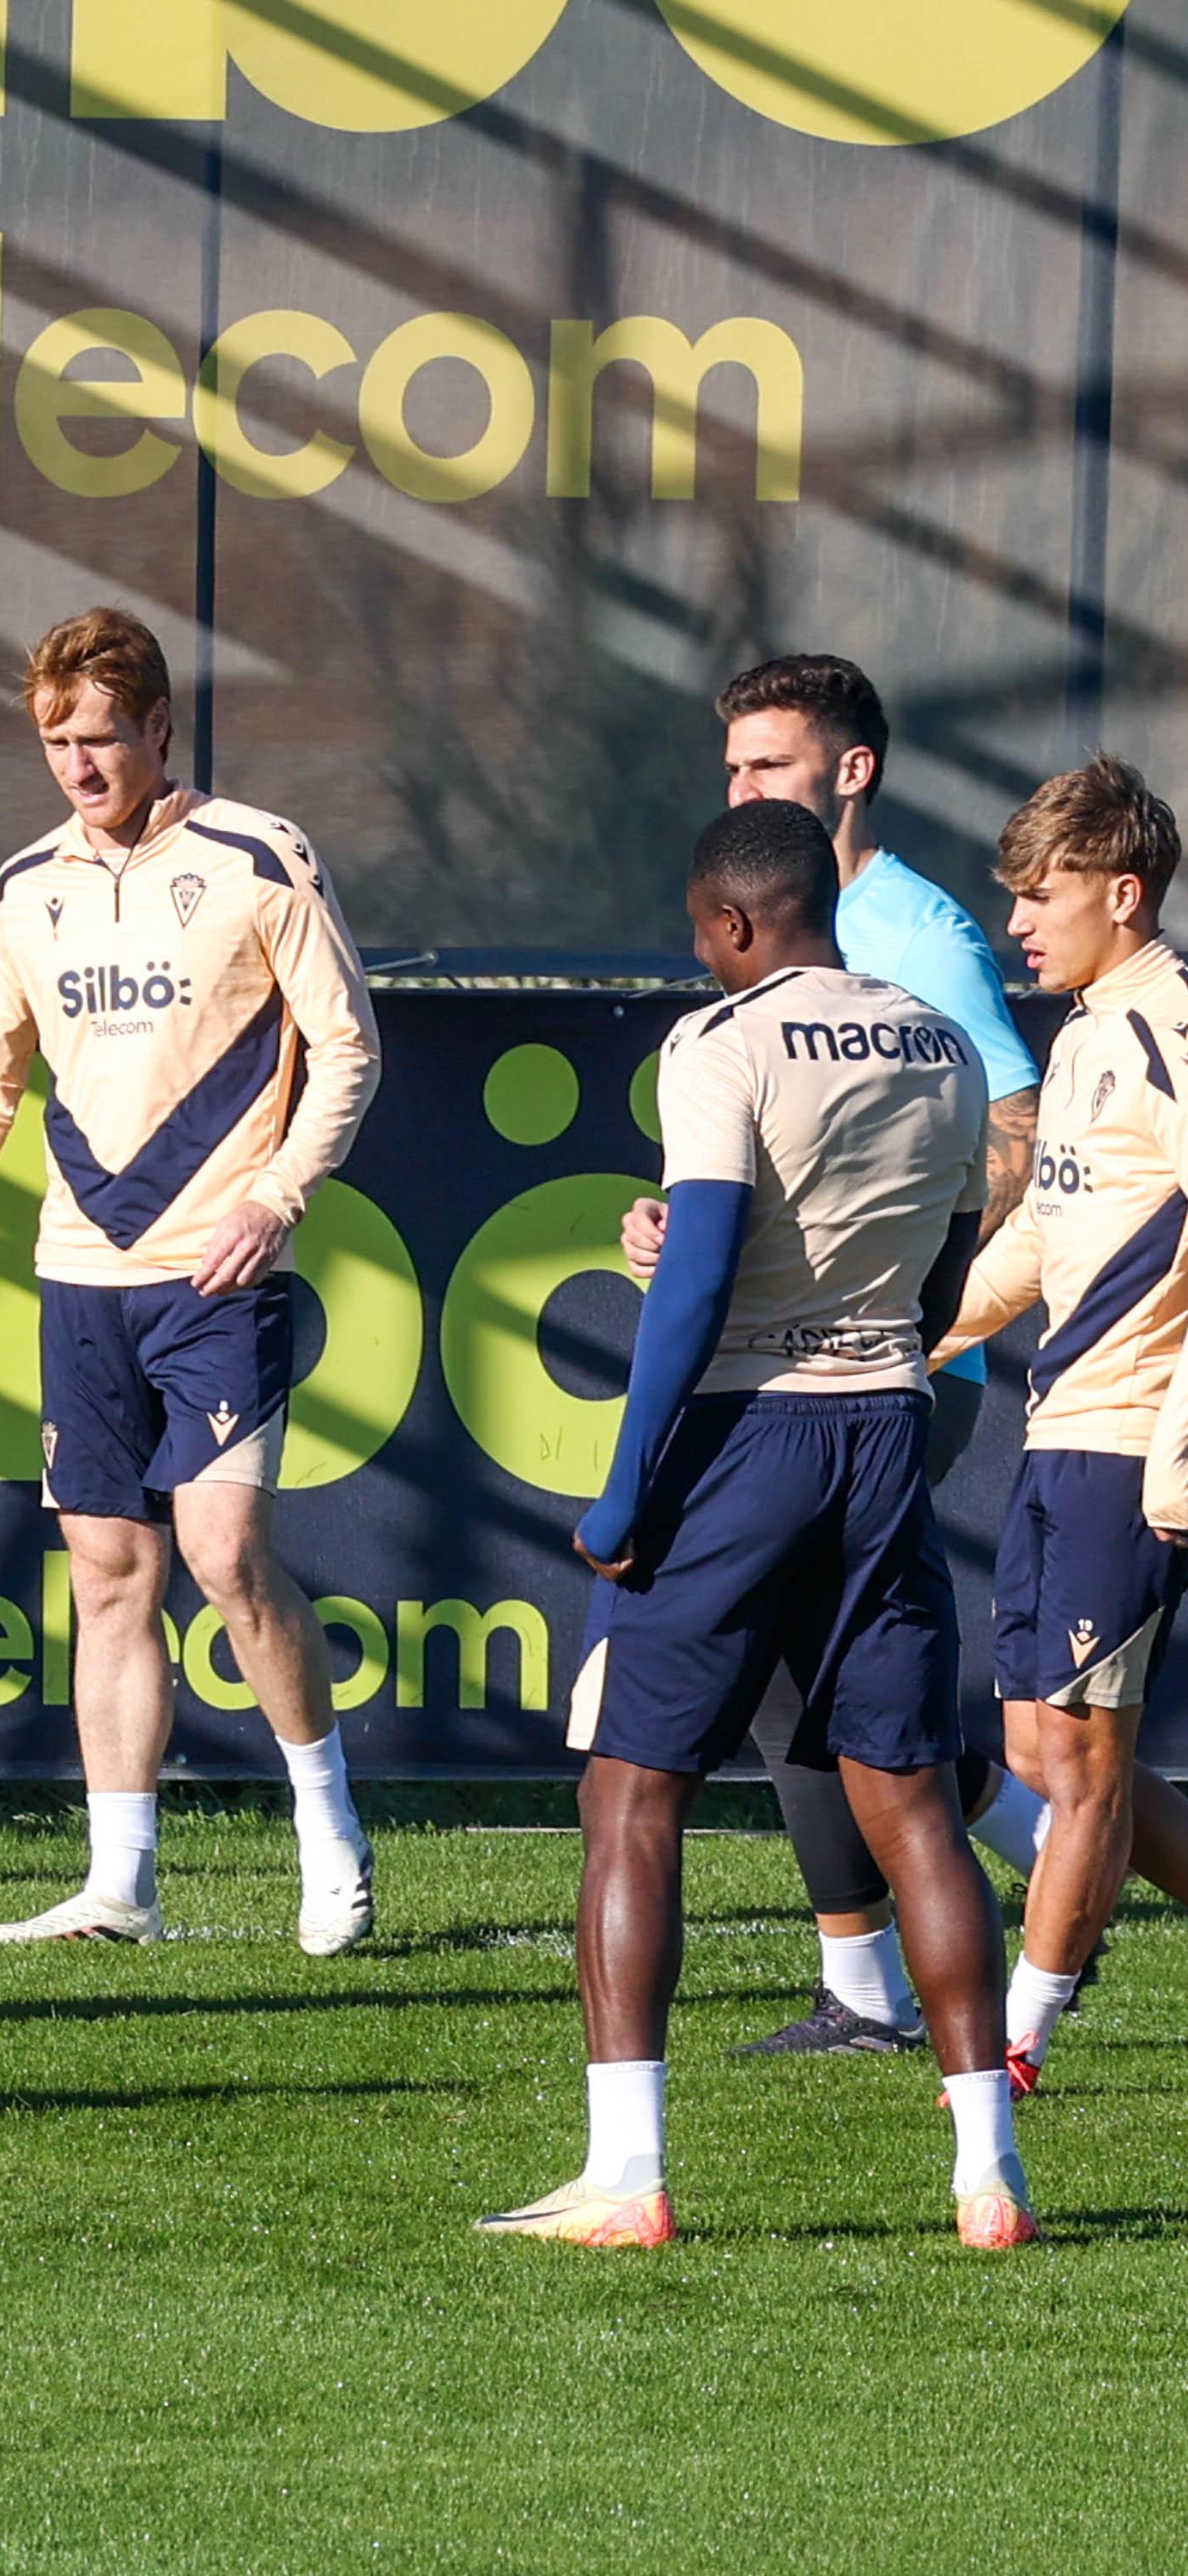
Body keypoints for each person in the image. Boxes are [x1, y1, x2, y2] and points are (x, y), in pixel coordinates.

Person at [484, 799, 1022, 2250]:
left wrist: (625, 1486)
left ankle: (625, 2177)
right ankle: (991, 2180)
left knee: (631, 1791)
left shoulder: (721, 1042)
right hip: (888, 1423)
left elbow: (703, 1277)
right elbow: (946, 1261)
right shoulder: (938, 1039)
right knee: (910, 1800)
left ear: (728, 924)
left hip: (744, 1433)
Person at [0, 608, 385, 1953]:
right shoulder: (26, 888)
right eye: (57, 739)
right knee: (108, 1572)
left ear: (160, 728)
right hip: (80, 1275)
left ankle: (329, 1833)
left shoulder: (258, 854)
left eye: (101, 736)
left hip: (220, 1270)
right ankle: (122, 1884)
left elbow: (348, 1051)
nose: (79, 764)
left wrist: (278, 1197)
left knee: (226, 1556)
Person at [686, 655, 1053, 2056]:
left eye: (770, 766)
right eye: (732, 770)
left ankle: (924, 1942)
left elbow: (1017, 1138)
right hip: (803, 1366)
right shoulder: (780, 920)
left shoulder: (915, 932)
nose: (743, 791)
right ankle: (924, 1928)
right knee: (814, 1678)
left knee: (809, 1671)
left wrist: (908, 1297)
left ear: (852, 772)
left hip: (890, 1370)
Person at [940, 756, 1188, 2099]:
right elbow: (1042, 1228)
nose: (1022, 922)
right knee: (1043, 1743)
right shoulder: (1087, 1031)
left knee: (1085, 1756)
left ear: (1125, 892)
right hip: (1056, 1427)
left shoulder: (1173, 1027)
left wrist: (1182, 1441)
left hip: (1134, 1437)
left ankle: (1020, 2038)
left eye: (1044, 896)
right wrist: (917, 1334)